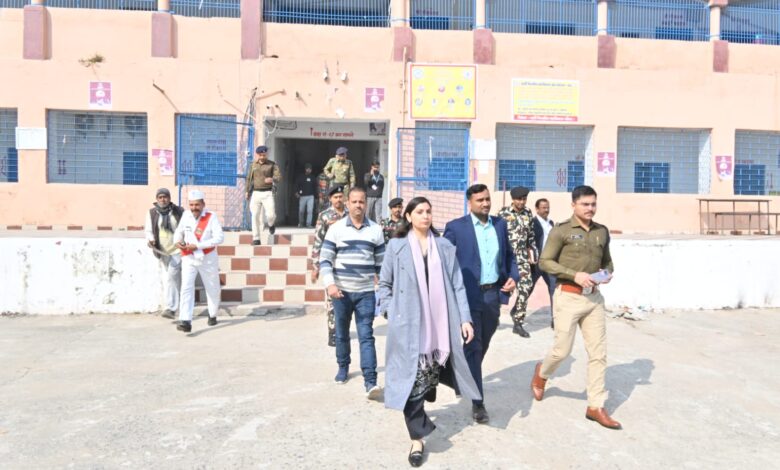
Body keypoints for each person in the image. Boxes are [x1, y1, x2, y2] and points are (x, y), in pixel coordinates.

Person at [378, 197, 480, 467]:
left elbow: (458, 285)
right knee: (408, 382)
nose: (425, 216)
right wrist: (390, 310)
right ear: (408, 216)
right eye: (420, 211)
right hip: (407, 324)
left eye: (428, 211)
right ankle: (417, 438)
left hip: (437, 327)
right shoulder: (396, 246)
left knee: (424, 379)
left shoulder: (444, 247)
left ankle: (421, 416)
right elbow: (384, 283)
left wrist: (465, 319)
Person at [531, 185, 621, 430]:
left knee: (598, 354)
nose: (590, 208)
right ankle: (542, 373)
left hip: (594, 300)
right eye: (585, 204)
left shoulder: (601, 231)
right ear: (574, 205)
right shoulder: (561, 231)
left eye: (593, 204)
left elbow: (608, 262)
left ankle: (595, 406)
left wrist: (606, 274)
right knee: (561, 351)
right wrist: (574, 275)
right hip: (568, 297)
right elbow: (545, 262)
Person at [443, 184, 518, 424]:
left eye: (487, 199)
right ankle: (478, 402)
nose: (485, 203)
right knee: (473, 346)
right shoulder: (456, 228)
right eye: (479, 200)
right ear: (469, 203)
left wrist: (513, 277)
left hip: (492, 295)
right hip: (467, 296)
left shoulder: (500, 225)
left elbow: (509, 255)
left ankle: (460, 374)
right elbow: (443, 260)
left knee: (483, 341)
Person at [319, 187, 384, 399]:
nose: (358, 205)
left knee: (366, 335)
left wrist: (382, 288)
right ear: (347, 203)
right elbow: (325, 260)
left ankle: (370, 381)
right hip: (341, 293)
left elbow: (381, 264)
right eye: (354, 201)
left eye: (361, 202)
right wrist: (330, 285)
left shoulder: (376, 230)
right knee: (342, 332)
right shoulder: (336, 229)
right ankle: (343, 366)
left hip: (366, 293)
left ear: (366, 204)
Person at [173, 189, 225, 333]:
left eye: (197, 205)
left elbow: (219, 238)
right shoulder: (186, 215)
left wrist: (198, 245)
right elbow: (179, 232)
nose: (194, 208)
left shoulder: (211, 217)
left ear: (203, 204)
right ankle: (185, 320)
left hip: (207, 258)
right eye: (191, 205)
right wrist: (177, 241)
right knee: (186, 287)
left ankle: (212, 314)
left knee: (212, 288)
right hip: (189, 257)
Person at [497, 186, 538, 339]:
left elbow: (531, 235)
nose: (521, 202)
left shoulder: (528, 213)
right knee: (502, 288)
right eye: (518, 199)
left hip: (522, 258)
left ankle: (518, 321)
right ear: (513, 199)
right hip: (506, 258)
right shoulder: (503, 213)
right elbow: (497, 235)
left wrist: (533, 251)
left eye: (524, 199)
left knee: (526, 288)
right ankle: (494, 315)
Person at [311, 186, 348, 347]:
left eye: (340, 196)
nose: (338, 200)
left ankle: (343, 330)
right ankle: (333, 332)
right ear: (330, 199)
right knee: (333, 299)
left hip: (348, 262)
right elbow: (318, 241)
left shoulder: (350, 215)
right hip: (331, 263)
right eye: (335, 197)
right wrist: (315, 265)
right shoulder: (324, 216)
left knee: (347, 299)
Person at [143, 188, 184, 319]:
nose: (163, 199)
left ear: (169, 198)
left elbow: (185, 228)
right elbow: (149, 230)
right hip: (163, 250)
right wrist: (150, 239)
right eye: (160, 197)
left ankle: (170, 308)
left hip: (177, 249)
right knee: (173, 278)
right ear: (157, 199)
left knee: (171, 276)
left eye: (165, 197)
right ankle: (182, 304)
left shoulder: (179, 211)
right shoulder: (152, 213)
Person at [245, 145, 281, 245]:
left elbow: (278, 177)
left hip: (267, 193)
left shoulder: (272, 164)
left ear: (266, 154)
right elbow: (249, 179)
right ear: (257, 155)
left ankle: (271, 224)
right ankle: (256, 238)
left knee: (270, 215)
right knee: (255, 216)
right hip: (256, 193)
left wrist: (272, 179)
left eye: (264, 155)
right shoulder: (253, 165)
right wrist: (247, 191)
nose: (262, 157)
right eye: (260, 155)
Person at [531, 198, 556, 328]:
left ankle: (555, 319)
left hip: (549, 262)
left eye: (548, 207)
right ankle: (516, 313)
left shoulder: (551, 223)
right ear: (537, 209)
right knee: (527, 289)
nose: (546, 210)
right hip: (536, 263)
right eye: (543, 208)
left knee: (554, 290)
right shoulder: (532, 223)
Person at [295, 163, 317, 228]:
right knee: (301, 211)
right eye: (307, 169)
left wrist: (316, 197)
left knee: (310, 211)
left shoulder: (313, 177)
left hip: (311, 196)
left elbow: (315, 187)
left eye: (310, 169)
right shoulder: (301, 177)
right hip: (302, 196)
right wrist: (296, 192)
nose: (309, 170)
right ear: (305, 169)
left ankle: (308, 224)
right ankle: (301, 223)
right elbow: (296, 185)